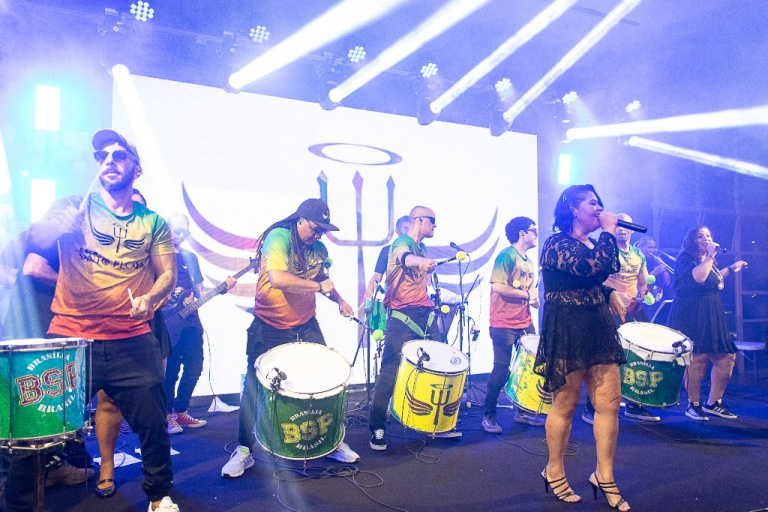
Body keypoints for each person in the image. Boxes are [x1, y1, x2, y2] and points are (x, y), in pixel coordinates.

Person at [26, 129, 180, 511]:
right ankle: (20, 503)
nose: (109, 160)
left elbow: (168, 274)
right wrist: (53, 227)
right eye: (102, 155)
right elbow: (35, 245)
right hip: (72, 336)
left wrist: (150, 298)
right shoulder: (73, 206)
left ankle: (159, 496)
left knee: (154, 424)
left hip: (130, 338)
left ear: (136, 168)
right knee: (38, 427)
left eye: (119, 154)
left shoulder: (153, 222)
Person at [221, 198, 358, 478]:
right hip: (269, 324)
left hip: (305, 323)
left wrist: (340, 300)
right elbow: (279, 279)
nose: (318, 235)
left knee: (328, 378)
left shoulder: (318, 249)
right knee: (255, 386)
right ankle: (244, 450)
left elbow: (323, 281)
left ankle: (331, 442)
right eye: (315, 228)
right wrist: (319, 286)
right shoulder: (279, 238)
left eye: (323, 231)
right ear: (300, 220)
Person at [533, 184, 629, 510]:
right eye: (592, 203)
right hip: (568, 329)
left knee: (609, 403)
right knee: (566, 404)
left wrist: (608, 293)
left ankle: (604, 474)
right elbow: (588, 268)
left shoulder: (591, 244)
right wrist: (610, 231)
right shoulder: (556, 243)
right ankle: (554, 469)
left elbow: (597, 275)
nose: (599, 208)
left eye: (600, 202)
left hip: (598, 327)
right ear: (573, 209)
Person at [93, 188, 175, 499]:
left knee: (153, 404)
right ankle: (107, 466)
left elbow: (166, 281)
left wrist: (154, 298)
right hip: (105, 327)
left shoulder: (155, 236)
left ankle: (158, 486)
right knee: (108, 400)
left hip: (147, 325)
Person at [368, 206, 440, 451]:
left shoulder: (422, 247)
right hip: (402, 316)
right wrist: (421, 262)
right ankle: (377, 428)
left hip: (424, 314)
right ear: (419, 220)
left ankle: (432, 421)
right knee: (390, 370)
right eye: (432, 221)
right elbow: (405, 258)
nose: (435, 225)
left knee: (435, 364)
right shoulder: (401, 243)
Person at [163, 213, 236, 433]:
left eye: (185, 232)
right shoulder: (160, 255)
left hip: (192, 322)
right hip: (168, 322)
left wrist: (222, 288)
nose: (180, 235)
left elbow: (200, 292)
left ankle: (180, 410)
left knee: (195, 367)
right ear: (167, 228)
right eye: (177, 230)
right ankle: (166, 415)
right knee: (170, 370)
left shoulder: (189, 257)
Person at [667, 226, 747, 420]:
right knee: (698, 358)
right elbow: (699, 277)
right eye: (700, 236)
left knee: (727, 356)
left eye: (708, 235)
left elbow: (714, 279)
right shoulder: (686, 258)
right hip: (693, 312)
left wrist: (730, 269)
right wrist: (710, 256)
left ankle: (713, 402)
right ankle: (693, 404)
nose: (706, 238)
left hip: (712, 312)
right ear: (692, 240)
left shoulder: (708, 260)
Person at [583, 213, 657, 423]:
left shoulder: (638, 255)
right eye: (618, 225)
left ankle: (634, 404)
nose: (622, 229)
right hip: (607, 309)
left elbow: (643, 281)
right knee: (602, 358)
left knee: (637, 355)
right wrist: (614, 295)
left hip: (632, 310)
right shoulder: (606, 251)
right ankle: (591, 406)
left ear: (632, 230)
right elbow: (595, 279)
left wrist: (646, 292)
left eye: (625, 226)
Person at [482, 216, 542, 433]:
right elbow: (498, 286)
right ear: (522, 234)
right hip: (503, 323)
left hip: (524, 322)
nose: (536, 234)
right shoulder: (506, 256)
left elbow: (529, 289)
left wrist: (533, 298)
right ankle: (489, 415)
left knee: (528, 368)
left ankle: (523, 411)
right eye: (533, 230)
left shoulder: (529, 261)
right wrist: (526, 295)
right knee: (501, 368)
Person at [364, 215, 411, 300]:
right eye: (405, 228)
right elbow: (377, 276)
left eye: (411, 228)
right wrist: (369, 291)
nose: (409, 231)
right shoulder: (387, 250)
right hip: (393, 299)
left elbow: (427, 280)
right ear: (397, 231)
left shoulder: (420, 250)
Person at [635, 235, 674, 322]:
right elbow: (639, 281)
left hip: (657, 301)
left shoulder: (654, 260)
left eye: (653, 248)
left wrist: (661, 266)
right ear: (641, 247)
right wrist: (656, 271)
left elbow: (667, 282)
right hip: (643, 301)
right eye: (649, 247)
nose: (652, 250)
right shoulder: (637, 260)